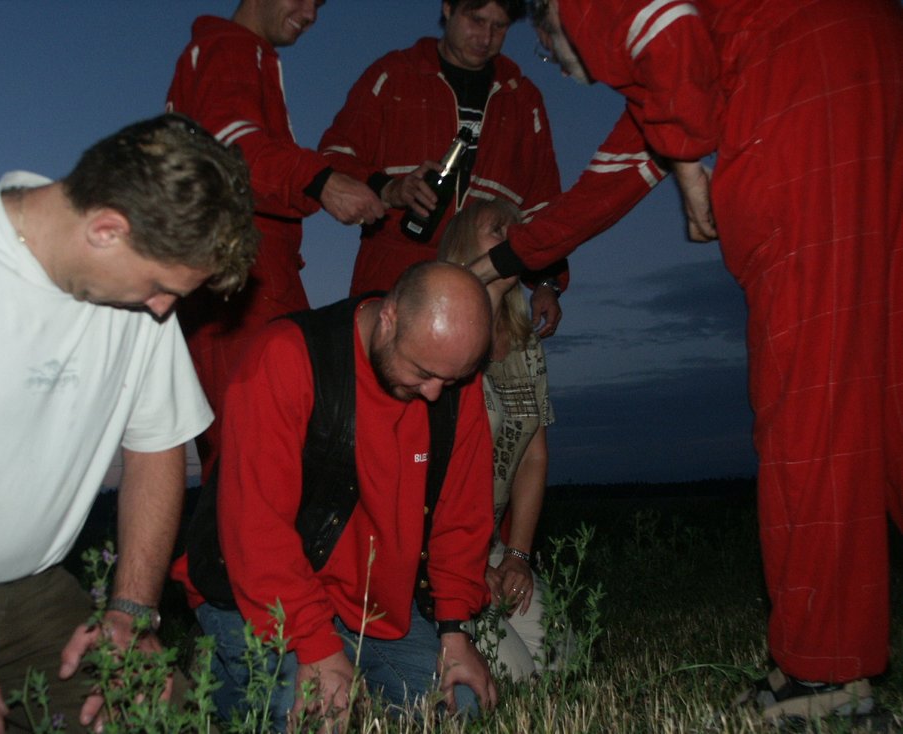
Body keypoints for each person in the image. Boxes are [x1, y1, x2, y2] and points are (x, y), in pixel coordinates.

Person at [470, 0, 903, 721]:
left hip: (799, 90)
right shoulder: (690, 71)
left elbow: (663, 42)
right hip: (875, 60)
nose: (567, 67)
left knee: (811, 389)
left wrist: (690, 166)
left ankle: (824, 673)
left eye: (547, 48)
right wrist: (505, 261)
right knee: (886, 372)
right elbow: (607, 183)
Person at [0, 114, 258, 733]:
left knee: (165, 717)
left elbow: (157, 448)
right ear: (107, 228)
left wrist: (132, 611)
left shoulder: (141, 306)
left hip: (36, 596)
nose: (166, 311)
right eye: (162, 288)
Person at [173, 262, 498, 729]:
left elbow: (461, 515)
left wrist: (453, 628)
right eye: (423, 372)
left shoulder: (453, 383)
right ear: (388, 318)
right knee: (310, 719)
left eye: (450, 380)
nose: (433, 394)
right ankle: (223, 677)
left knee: (462, 710)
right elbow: (255, 529)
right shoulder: (287, 357)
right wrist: (317, 645)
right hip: (254, 594)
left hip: (368, 604)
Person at [166, 0, 386, 478]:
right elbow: (233, 147)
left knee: (269, 451)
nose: (311, 14)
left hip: (253, 282)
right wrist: (320, 180)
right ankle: (229, 555)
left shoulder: (236, 54)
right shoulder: (229, 48)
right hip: (239, 287)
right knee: (255, 457)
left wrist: (379, 186)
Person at [318, 0, 568, 337]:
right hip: (393, 280)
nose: (486, 37)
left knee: (479, 389)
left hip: (488, 291)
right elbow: (333, 157)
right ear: (448, 8)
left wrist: (547, 281)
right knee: (387, 383)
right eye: (476, 20)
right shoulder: (393, 74)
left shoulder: (524, 99)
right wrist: (390, 189)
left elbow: (545, 202)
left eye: (499, 26)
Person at [439, 200, 553, 680]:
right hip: (439, 548)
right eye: (496, 230)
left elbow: (533, 457)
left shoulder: (523, 343)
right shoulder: (437, 333)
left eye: (517, 229)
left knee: (556, 665)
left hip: (493, 547)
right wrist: (458, 562)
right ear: (465, 247)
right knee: (514, 679)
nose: (513, 237)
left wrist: (518, 556)